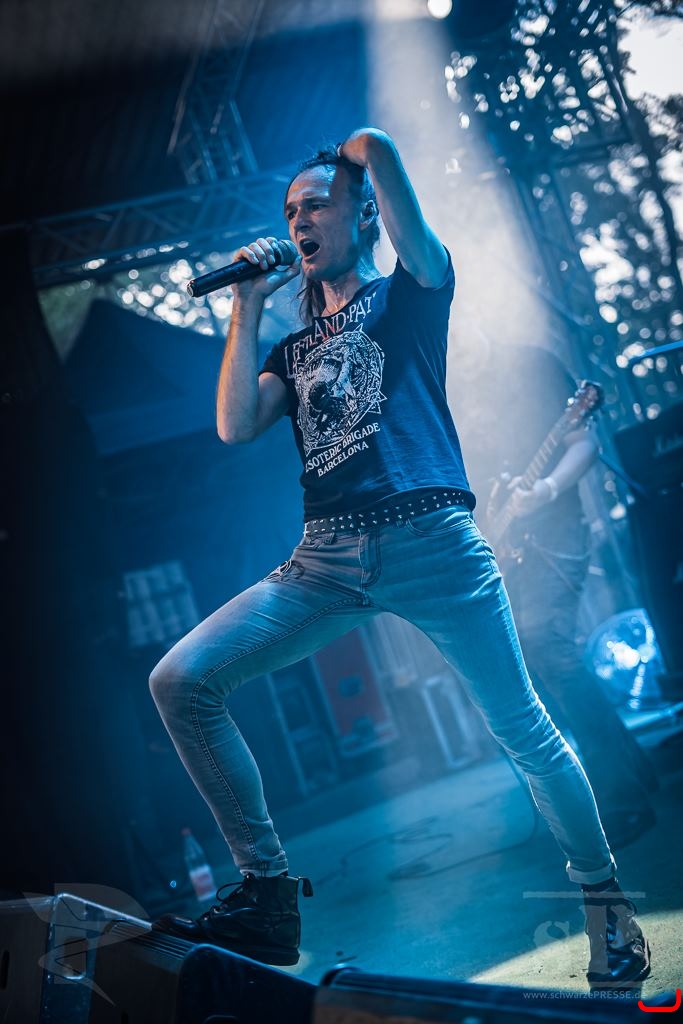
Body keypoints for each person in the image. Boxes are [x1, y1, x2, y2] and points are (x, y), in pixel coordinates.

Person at [149, 128, 649, 990]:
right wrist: (246, 303)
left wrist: (359, 148)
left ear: (362, 216)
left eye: (315, 206)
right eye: (289, 212)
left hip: (434, 544)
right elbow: (233, 424)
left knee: (523, 729)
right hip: (324, 558)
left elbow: (380, 158)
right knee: (180, 681)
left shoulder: (412, 292)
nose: (298, 222)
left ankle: (607, 909)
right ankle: (266, 895)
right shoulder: (290, 348)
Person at [455, 342, 658, 852]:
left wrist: (544, 490)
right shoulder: (451, 386)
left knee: (548, 644)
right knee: (530, 659)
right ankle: (632, 772)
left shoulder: (529, 361)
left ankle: (621, 800)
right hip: (506, 545)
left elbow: (584, 444)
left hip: (555, 533)